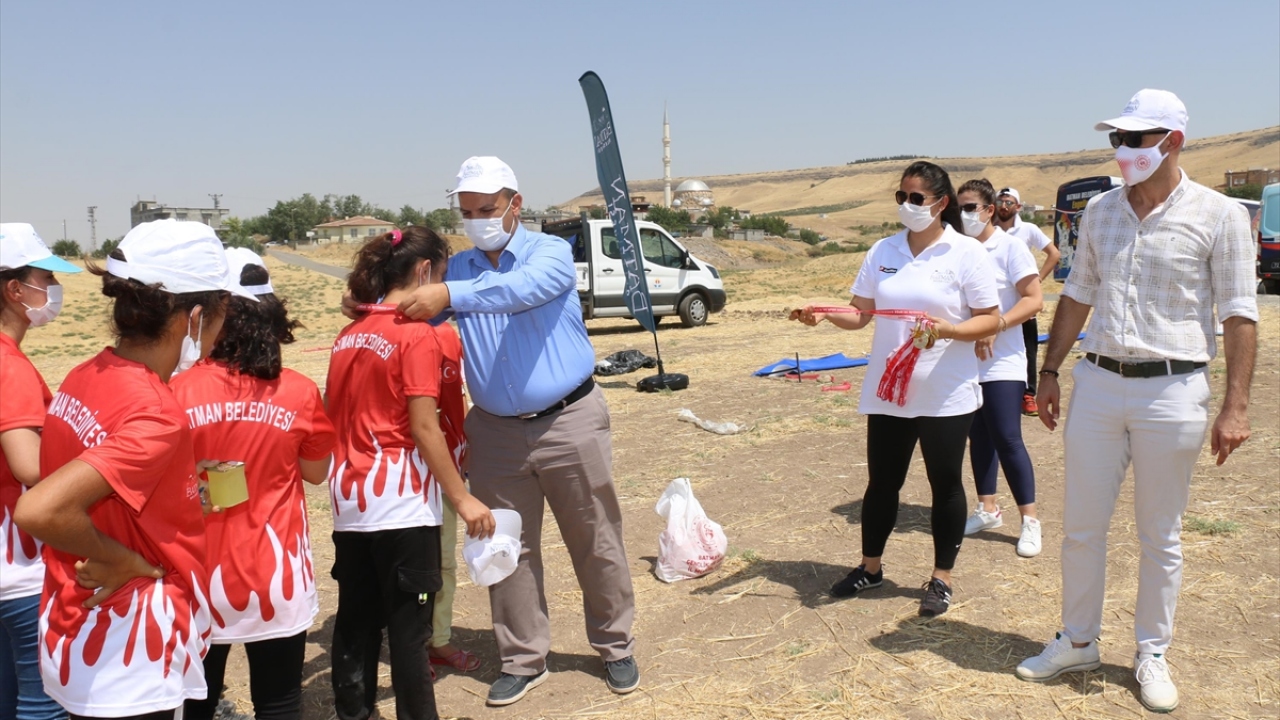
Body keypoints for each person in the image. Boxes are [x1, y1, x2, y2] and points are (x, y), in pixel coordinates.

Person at [1016, 89, 1258, 714]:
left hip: (1175, 389)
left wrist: (1236, 405)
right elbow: (1078, 293)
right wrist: (1048, 369)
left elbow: (1238, 313)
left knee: (1161, 533)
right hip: (1097, 383)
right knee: (1081, 528)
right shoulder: (1099, 211)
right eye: (1116, 139)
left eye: (1134, 139)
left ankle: (1151, 652)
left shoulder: (1221, 214)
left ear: (1172, 142)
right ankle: (1077, 640)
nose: (1121, 150)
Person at [391, 157, 639, 706]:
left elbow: (520, 290)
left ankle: (615, 644)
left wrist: (451, 297)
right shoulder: (456, 268)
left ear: (515, 205)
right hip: (496, 433)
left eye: (486, 209)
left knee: (595, 537)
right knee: (505, 546)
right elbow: (413, 318)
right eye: (467, 212)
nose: (476, 220)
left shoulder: (549, 254)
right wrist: (374, 308)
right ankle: (524, 658)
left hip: (569, 420)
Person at [14, 219, 256, 719]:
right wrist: (126, 561)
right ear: (193, 316)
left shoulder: (90, 372)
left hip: (77, 626)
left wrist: (181, 483)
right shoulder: (155, 411)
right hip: (129, 647)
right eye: (221, 315)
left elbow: (84, 471)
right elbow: (40, 508)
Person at [792, 161, 1000, 617]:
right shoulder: (883, 250)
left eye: (915, 198)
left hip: (946, 391)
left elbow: (990, 317)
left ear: (941, 203)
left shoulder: (966, 254)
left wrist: (949, 330)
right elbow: (860, 313)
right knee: (882, 483)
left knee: (944, 484)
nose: (906, 206)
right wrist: (826, 313)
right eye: (900, 198)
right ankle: (870, 568)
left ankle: (941, 578)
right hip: (889, 390)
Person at [326, 226, 495, 720]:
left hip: (350, 500)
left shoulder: (349, 334)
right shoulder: (416, 336)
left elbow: (334, 410)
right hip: (400, 502)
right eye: (441, 275)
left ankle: (353, 713)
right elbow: (424, 426)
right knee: (408, 630)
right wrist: (462, 498)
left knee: (355, 620)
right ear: (424, 272)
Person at [172, 249, 336, 720]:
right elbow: (316, 471)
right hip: (276, 576)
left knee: (196, 701)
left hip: (199, 577)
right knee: (280, 701)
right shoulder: (299, 390)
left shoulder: (176, 390)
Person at [0, 223, 80, 720]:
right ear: (14, 290)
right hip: (20, 566)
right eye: (45, 278)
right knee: (43, 700)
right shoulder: (9, 366)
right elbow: (28, 466)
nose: (53, 290)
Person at [953, 181, 1045, 557]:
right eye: (959, 208)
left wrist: (998, 325)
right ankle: (988, 508)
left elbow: (1035, 300)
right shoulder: (957, 248)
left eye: (971, 207)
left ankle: (1031, 521)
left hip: (1004, 359)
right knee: (978, 435)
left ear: (991, 210)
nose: (964, 215)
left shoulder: (1011, 248)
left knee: (1007, 436)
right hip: (966, 360)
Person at [993, 187, 1060, 416]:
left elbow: (1054, 253)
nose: (1004, 206)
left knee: (1028, 347)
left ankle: (1028, 395)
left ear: (1018, 207)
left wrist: (1038, 280)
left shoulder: (1028, 229)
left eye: (1009, 202)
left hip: (1022, 301)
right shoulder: (987, 230)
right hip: (998, 301)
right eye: (1000, 201)